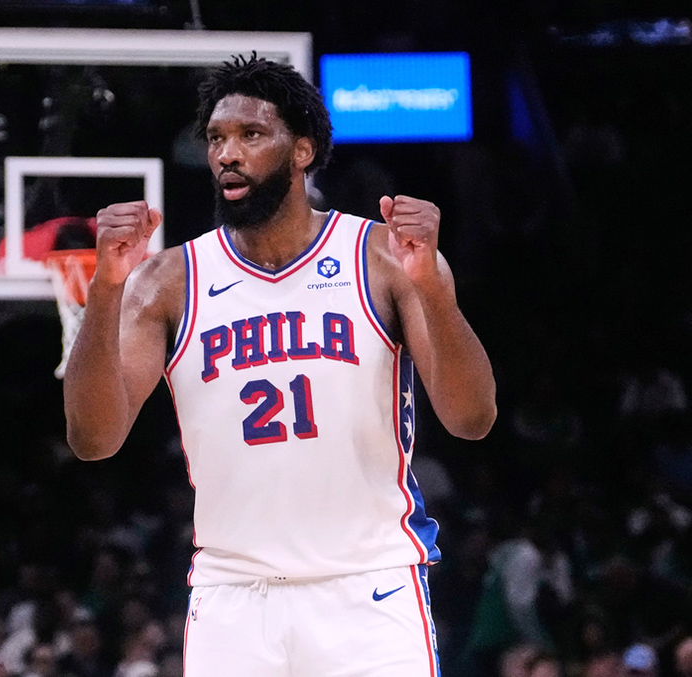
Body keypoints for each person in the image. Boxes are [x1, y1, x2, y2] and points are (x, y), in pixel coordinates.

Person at [63, 53, 496, 675]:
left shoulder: (383, 256)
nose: (227, 154)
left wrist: (434, 289)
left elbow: (472, 419)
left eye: (250, 134)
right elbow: (93, 439)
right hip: (233, 596)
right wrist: (105, 290)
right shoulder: (166, 281)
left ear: (302, 151)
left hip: (369, 586)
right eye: (216, 138)